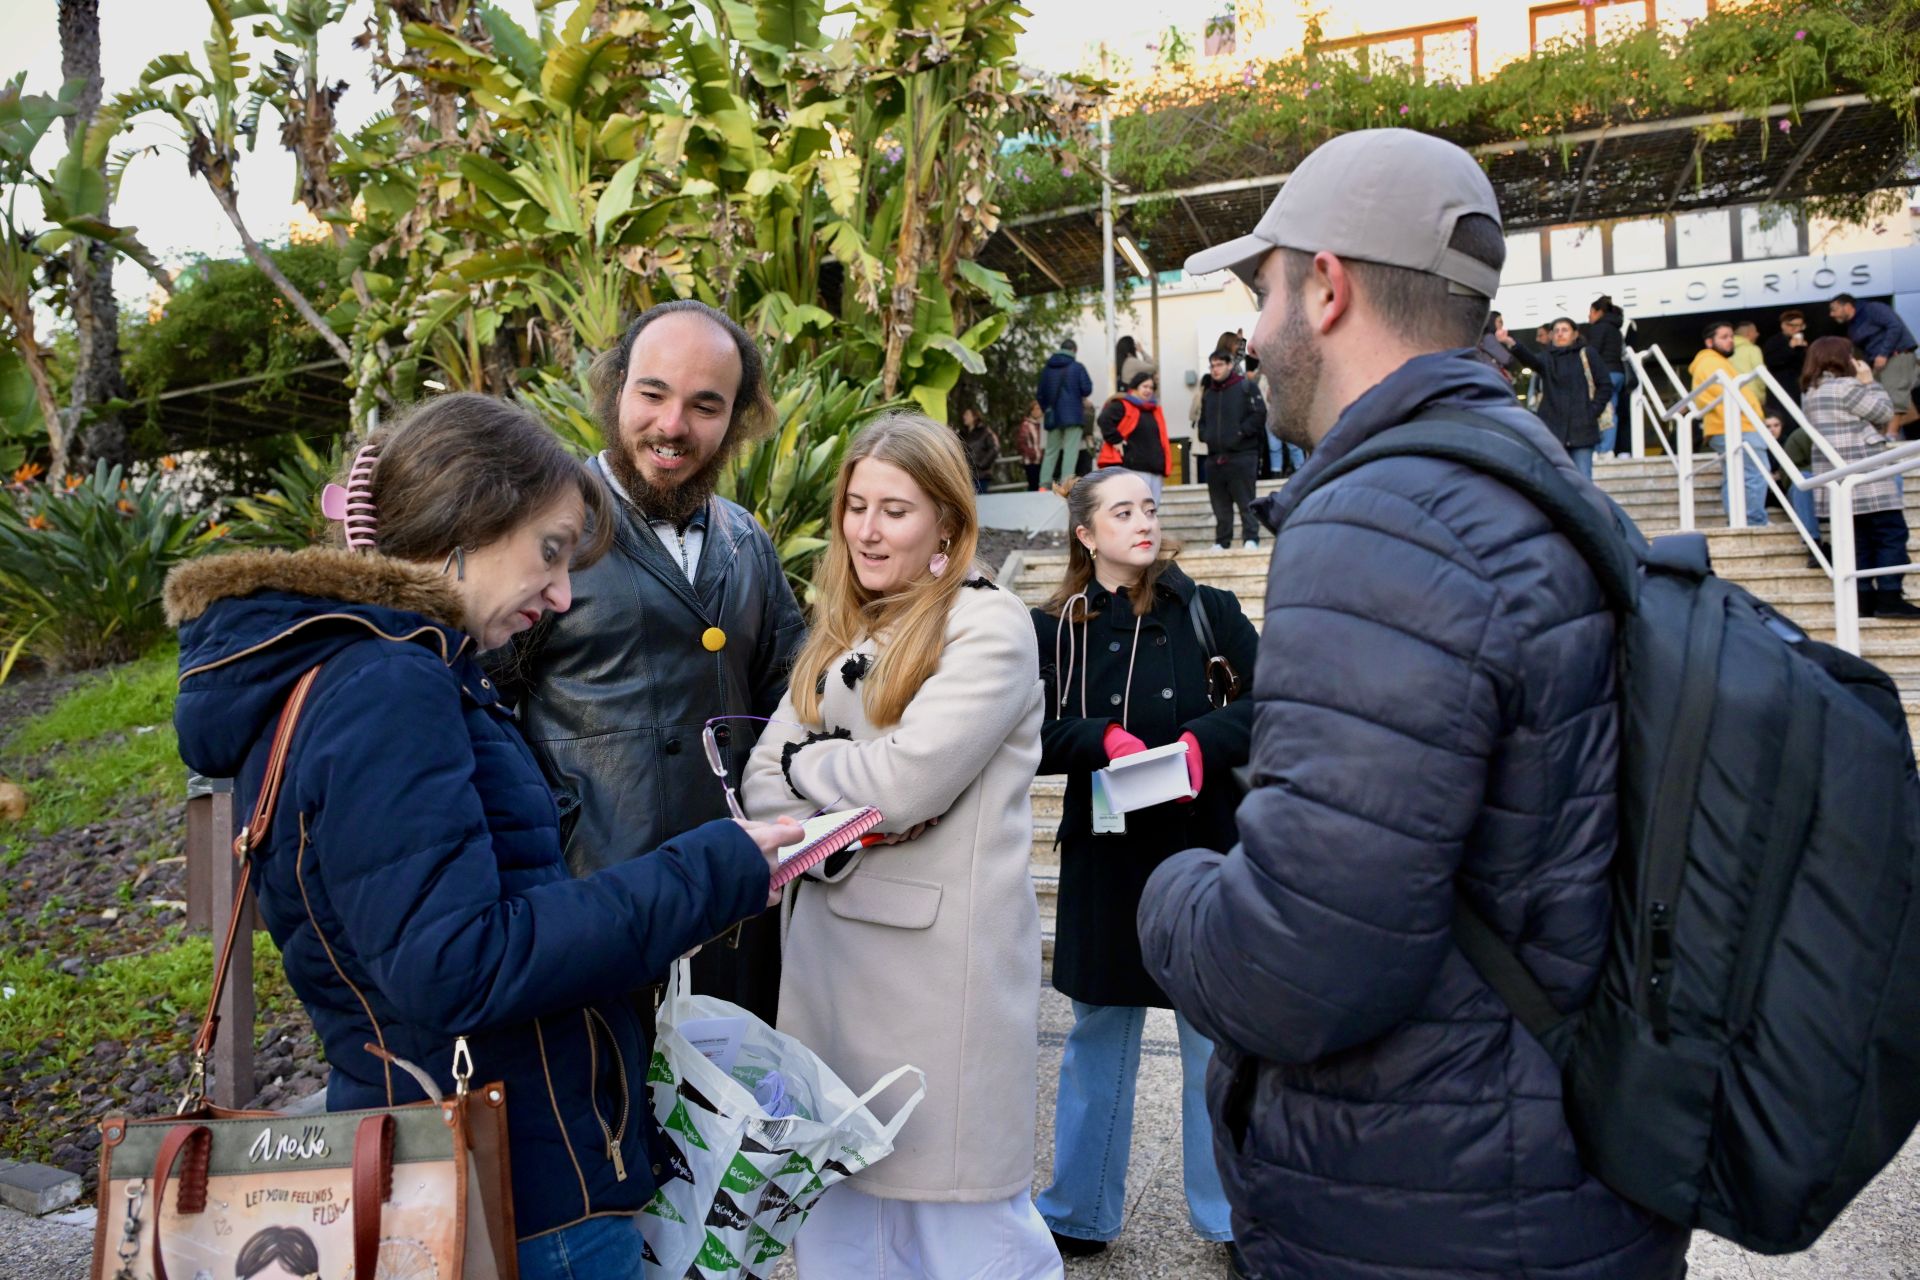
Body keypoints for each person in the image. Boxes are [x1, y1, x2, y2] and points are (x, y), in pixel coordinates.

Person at [1136, 128, 1690, 1280]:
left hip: (1423, 1207)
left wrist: (1171, 892)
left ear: (1327, 287)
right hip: (1550, 1174)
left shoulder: (1385, 517)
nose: (1260, 327)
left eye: (1265, 287)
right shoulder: (1525, 471)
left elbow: (1300, 966)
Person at [166, 394, 799, 1280]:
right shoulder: (390, 685)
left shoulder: (387, 673)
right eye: (550, 550)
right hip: (509, 1189)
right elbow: (459, 961)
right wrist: (712, 867)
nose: (564, 592)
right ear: (466, 521)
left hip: (475, 1156)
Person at [740, 414, 1058, 1279]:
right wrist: (849, 817)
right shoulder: (841, 627)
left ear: (947, 524)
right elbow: (761, 785)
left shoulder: (989, 627)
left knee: (967, 1237)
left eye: (896, 510)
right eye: (856, 506)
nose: (867, 529)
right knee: (840, 1232)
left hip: (936, 983)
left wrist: (821, 772)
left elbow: (907, 785)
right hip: (827, 973)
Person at [496, 300, 805, 1026]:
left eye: (705, 405)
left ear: (735, 419)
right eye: (653, 393)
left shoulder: (745, 540)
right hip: (596, 913)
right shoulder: (545, 530)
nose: (672, 426)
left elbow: (797, 697)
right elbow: (477, 703)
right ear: (616, 391)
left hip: (734, 911)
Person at [1029, 467, 1256, 1275]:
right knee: (1098, 1035)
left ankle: (1232, 1222)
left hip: (1204, 849)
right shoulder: (1054, 626)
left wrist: (1204, 741)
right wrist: (1100, 741)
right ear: (1085, 533)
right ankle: (1079, 1212)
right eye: (1121, 511)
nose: (1143, 522)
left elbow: (1267, 703)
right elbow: (1032, 732)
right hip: (1107, 851)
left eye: (1149, 508)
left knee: (1213, 1042)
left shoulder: (1209, 609)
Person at [1802, 335, 1920, 619]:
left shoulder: (1811, 391)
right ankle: (1890, 597)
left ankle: (1864, 599)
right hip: (1866, 476)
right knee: (1891, 534)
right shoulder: (1847, 386)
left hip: (1839, 478)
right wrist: (1870, 381)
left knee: (1860, 540)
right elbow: (1883, 412)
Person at [1501, 316, 1610, 477]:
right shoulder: (1546, 358)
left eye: (1565, 330)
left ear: (1575, 334)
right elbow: (1530, 360)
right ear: (1551, 336)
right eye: (1556, 331)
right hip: (1553, 433)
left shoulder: (1587, 354)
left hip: (1583, 430)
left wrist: (1592, 411)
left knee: (1583, 482)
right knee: (1558, 482)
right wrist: (1511, 343)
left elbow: (1605, 385)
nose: (1560, 334)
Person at [1691, 319, 1770, 526]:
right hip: (1737, 426)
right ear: (1709, 342)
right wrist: (1750, 416)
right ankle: (1753, 521)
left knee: (1734, 476)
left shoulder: (1715, 362)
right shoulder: (1710, 363)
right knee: (1755, 474)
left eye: (1731, 337)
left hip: (1729, 426)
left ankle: (1737, 520)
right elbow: (1724, 398)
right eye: (1724, 337)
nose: (1730, 341)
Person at [1198, 349, 1266, 548]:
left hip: (1242, 455)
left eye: (1219, 365)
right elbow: (1202, 421)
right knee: (1220, 505)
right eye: (1212, 365)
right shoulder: (1209, 393)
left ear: (1229, 365)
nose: (1215, 370)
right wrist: (1206, 435)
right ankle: (1222, 541)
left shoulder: (1246, 387)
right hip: (1214, 457)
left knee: (1246, 500)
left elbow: (1259, 415)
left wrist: (1240, 433)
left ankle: (1251, 538)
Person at [1831, 292, 1920, 437]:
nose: (1832, 314)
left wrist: (1884, 353)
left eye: (1834, 309)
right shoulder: (1853, 325)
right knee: (1877, 398)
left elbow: (1895, 326)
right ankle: (1887, 433)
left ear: (1847, 306)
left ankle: (1891, 435)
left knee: (1894, 393)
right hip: (1878, 364)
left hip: (1896, 356)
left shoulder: (1873, 309)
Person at [1095, 371, 1174, 500]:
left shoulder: (1155, 410)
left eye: (1151, 387)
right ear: (1135, 388)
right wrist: (1116, 439)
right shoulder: (1122, 404)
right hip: (1132, 469)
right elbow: (1104, 419)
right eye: (1145, 386)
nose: (1148, 390)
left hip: (1154, 470)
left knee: (1152, 511)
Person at [1037, 337, 1094, 490]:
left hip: (1053, 416)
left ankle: (1043, 485)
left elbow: (1040, 394)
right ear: (1074, 351)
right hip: (1073, 415)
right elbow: (1087, 389)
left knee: (1051, 451)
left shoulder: (1047, 369)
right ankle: (1066, 485)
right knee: (1071, 450)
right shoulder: (1077, 367)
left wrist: (1046, 409)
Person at [1586, 295, 1625, 455]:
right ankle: (1607, 448)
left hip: (1604, 375)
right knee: (1611, 411)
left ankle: (1604, 449)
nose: (1588, 316)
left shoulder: (1599, 328)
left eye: (1590, 312)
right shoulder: (1616, 329)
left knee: (1602, 412)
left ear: (1598, 312)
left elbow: (1592, 353)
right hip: (1618, 373)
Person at [1764, 309, 1810, 412]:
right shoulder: (1774, 342)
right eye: (1792, 325)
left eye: (1800, 326)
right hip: (1781, 390)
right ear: (1783, 325)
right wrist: (1790, 347)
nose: (1797, 329)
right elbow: (1771, 361)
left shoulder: (1803, 341)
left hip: (1800, 389)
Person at [958, 404, 998, 494]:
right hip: (966, 477)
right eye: (964, 415)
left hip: (981, 476)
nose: (964, 417)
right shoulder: (962, 434)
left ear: (975, 417)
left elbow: (994, 449)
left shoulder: (985, 432)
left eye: (967, 414)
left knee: (981, 503)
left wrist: (982, 464)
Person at [1016, 399, 1045, 490]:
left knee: (1044, 487)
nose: (1037, 411)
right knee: (1034, 486)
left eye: (1039, 409)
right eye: (1034, 409)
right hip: (1031, 462)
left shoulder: (1044, 424)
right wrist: (1032, 454)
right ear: (1031, 411)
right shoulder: (1026, 425)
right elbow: (1021, 443)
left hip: (1043, 461)